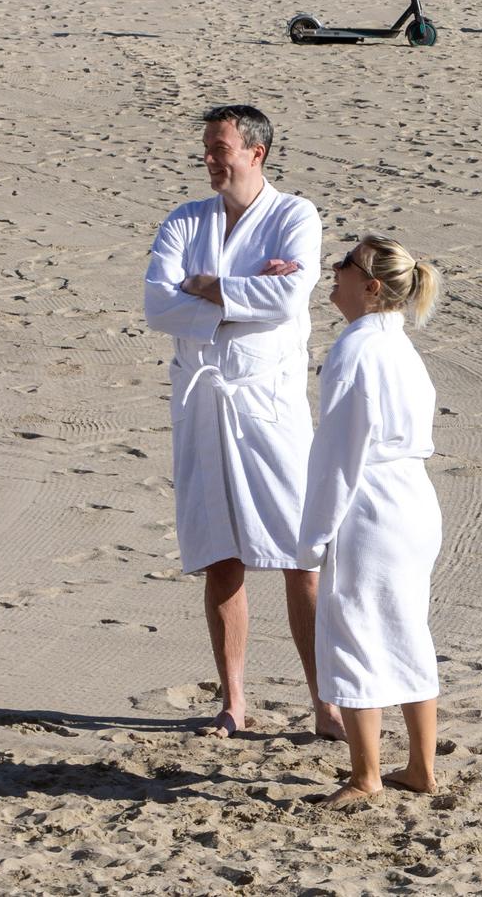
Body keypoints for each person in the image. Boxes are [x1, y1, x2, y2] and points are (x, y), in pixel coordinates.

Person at [143, 105, 340, 739]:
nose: (208, 157)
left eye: (219, 147)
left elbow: (288, 299)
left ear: (255, 152)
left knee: (299, 554)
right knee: (219, 555)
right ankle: (233, 702)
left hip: (270, 406)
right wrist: (234, 291)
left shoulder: (294, 215)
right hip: (202, 405)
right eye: (206, 146)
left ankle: (326, 704)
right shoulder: (184, 220)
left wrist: (206, 286)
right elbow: (157, 304)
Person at [300, 235, 444, 808]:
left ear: (371, 286)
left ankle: (366, 776)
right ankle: (421, 769)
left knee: (354, 629)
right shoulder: (401, 347)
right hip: (414, 499)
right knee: (408, 628)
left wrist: (312, 533)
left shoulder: (356, 348)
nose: (333, 270)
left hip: (373, 504)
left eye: (345, 264)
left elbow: (339, 452)